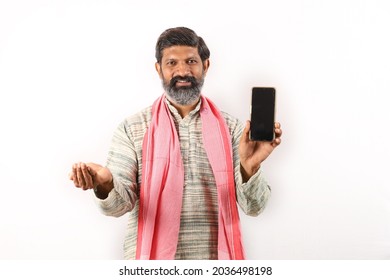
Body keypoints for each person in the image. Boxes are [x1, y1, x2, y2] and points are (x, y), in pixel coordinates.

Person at [69, 27, 282, 260]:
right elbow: (117, 207)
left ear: (206, 66)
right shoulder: (132, 128)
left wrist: (249, 168)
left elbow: (255, 207)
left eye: (191, 61)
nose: (182, 71)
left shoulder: (233, 130)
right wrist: (105, 183)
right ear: (158, 69)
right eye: (172, 63)